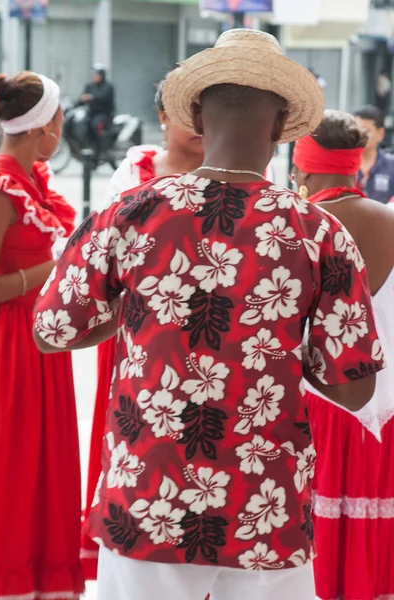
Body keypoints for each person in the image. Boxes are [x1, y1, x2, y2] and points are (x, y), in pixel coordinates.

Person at [33, 30, 383, 600]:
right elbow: (356, 391)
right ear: (279, 127)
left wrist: (134, 313)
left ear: (196, 114)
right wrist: (284, 344)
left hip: (148, 496)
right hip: (266, 503)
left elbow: (52, 330)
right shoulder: (319, 232)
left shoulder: (131, 212)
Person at [81, 76, 204, 580]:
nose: (196, 126)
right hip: (142, 330)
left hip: (204, 329)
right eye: (184, 113)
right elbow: (100, 252)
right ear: (162, 118)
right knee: (142, 439)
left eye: (203, 113)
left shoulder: (239, 166)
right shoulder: (136, 170)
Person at [292, 109, 394, 600]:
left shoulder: (300, 226)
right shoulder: (391, 219)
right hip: (389, 408)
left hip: (325, 403)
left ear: (303, 172)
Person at [0, 71, 84, 599]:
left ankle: (37, 575)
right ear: (43, 127)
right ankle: (10, 577)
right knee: (14, 459)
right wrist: (46, 273)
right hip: (10, 343)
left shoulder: (30, 180)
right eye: (60, 120)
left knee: (42, 461)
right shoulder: (2, 185)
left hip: (40, 339)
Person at [355, 104, 394, 204]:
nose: (360, 135)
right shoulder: (343, 165)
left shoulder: (391, 165)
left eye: (366, 130)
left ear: (380, 134)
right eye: (356, 129)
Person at [80, 64, 115, 162]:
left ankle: (101, 148)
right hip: (91, 114)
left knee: (96, 126)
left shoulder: (108, 87)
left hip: (104, 115)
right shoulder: (89, 86)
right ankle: (86, 146)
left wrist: (91, 98)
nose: (94, 77)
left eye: (96, 75)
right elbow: (82, 98)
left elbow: (103, 98)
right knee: (81, 124)